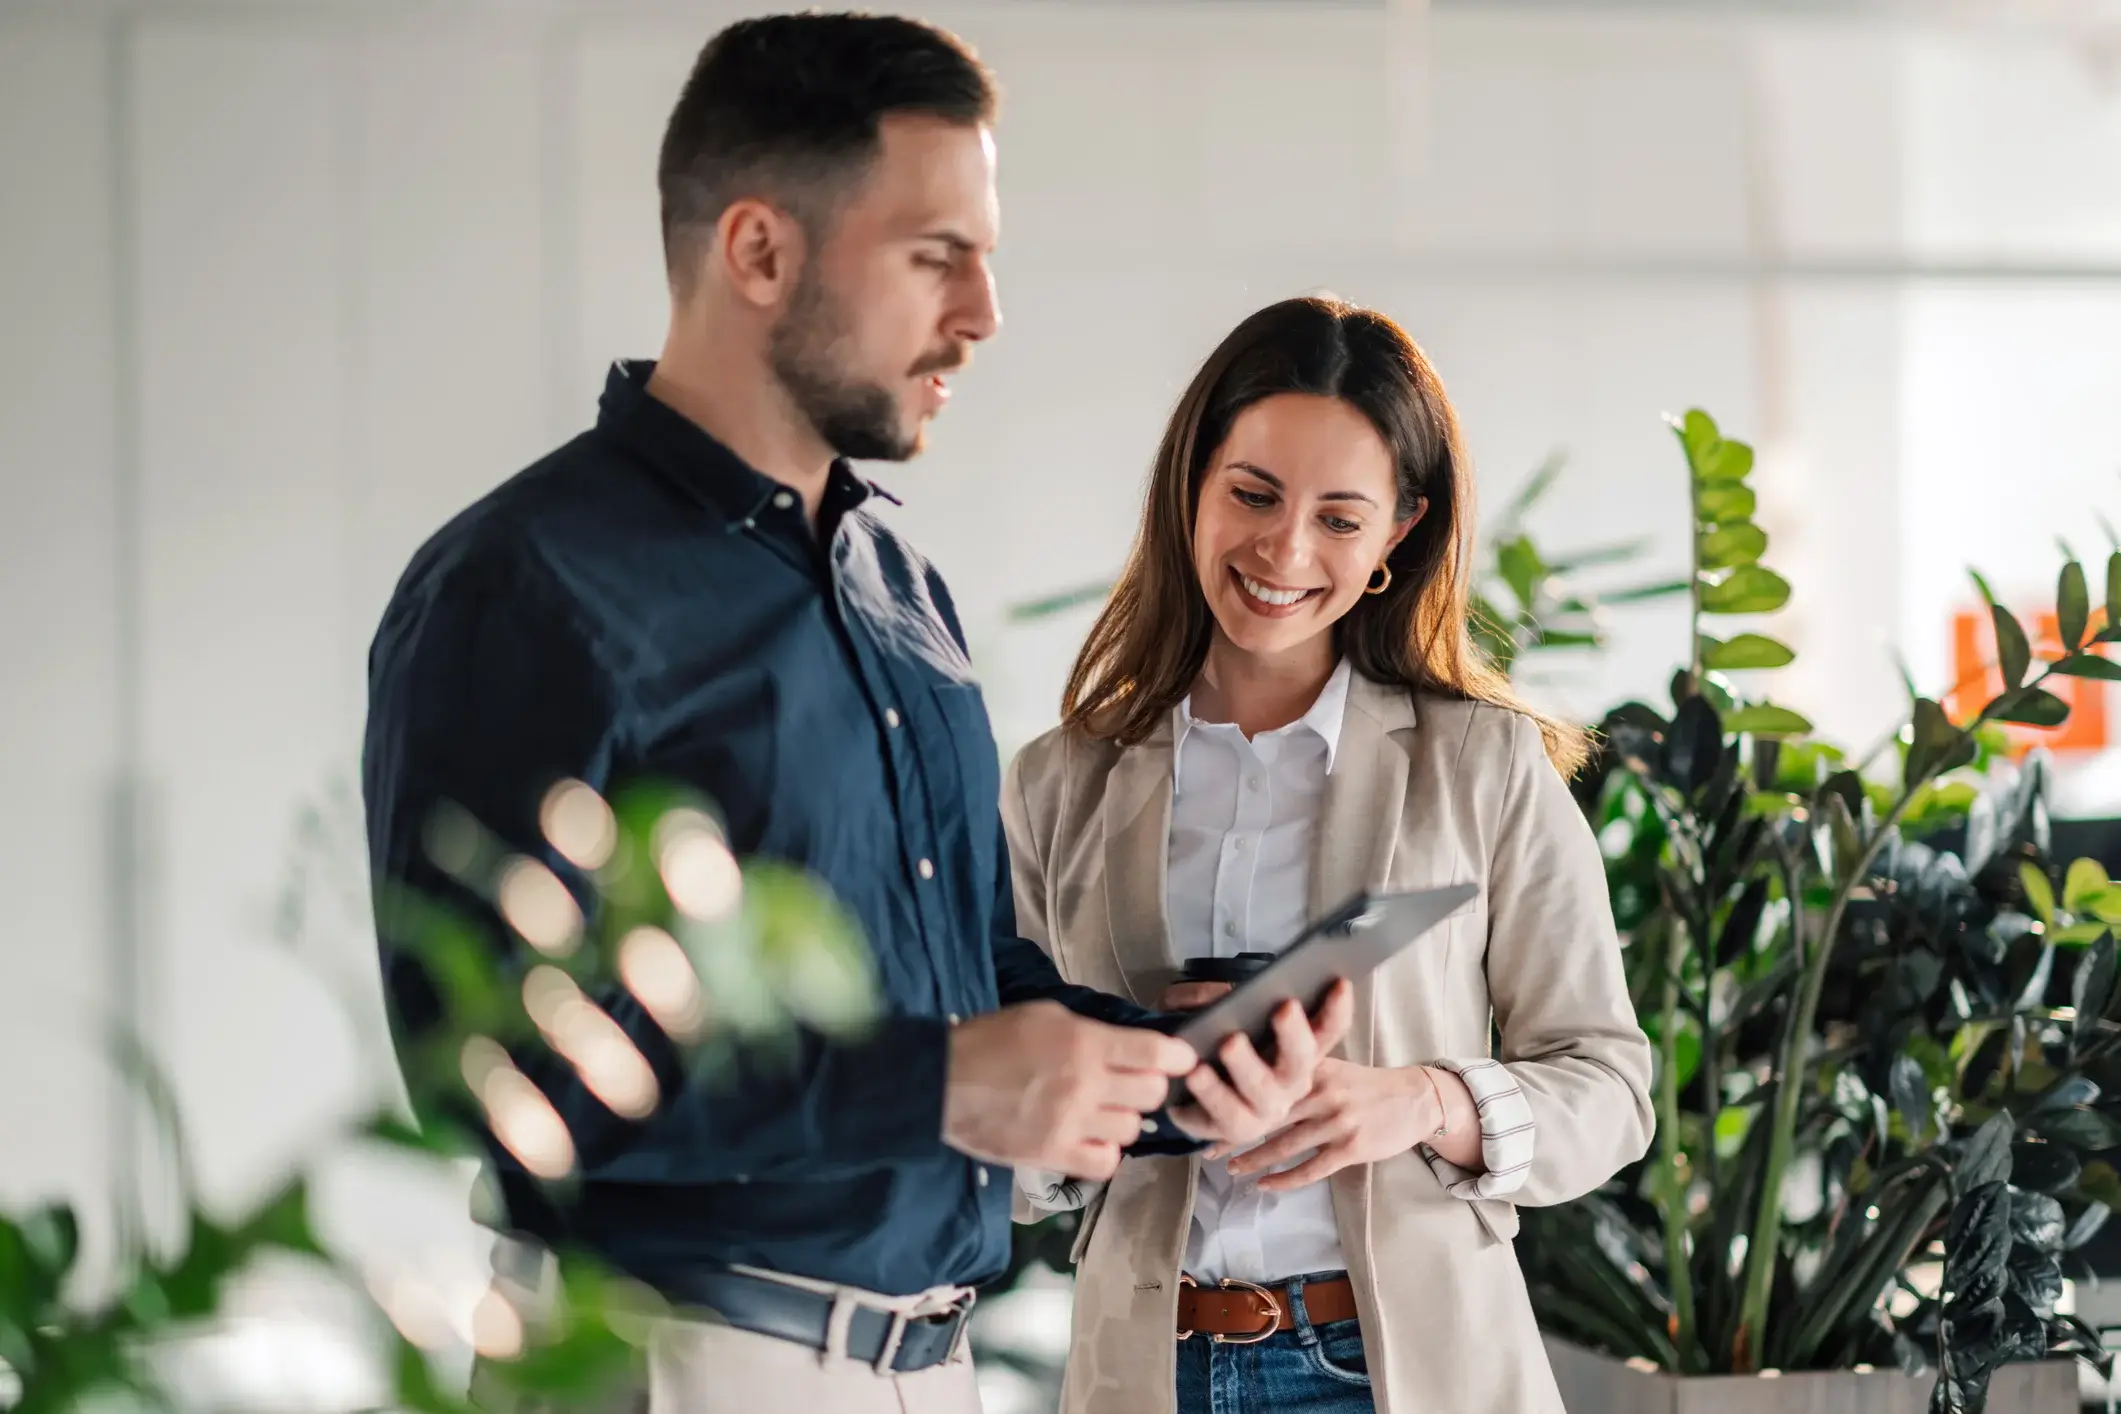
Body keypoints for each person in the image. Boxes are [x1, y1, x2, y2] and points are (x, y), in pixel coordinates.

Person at [360, 15, 1349, 1414]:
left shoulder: (899, 585)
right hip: (668, 1363)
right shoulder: (526, 586)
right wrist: (940, 1084)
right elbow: (489, 1070)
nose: (984, 312)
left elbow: (957, 973)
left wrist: (1147, 1063)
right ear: (758, 252)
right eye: (935, 256)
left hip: (920, 1367)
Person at [1007, 295, 1656, 1414]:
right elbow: (1000, 1142)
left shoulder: (1484, 765)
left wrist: (1418, 1100)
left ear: (1398, 535)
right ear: (1193, 485)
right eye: (1253, 494)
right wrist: (1131, 1089)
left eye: (1340, 519)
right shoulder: (1062, 779)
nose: (1284, 550)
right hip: (1146, 1370)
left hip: (1397, 1369)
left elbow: (1610, 1085)